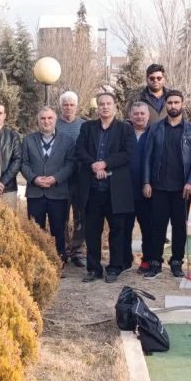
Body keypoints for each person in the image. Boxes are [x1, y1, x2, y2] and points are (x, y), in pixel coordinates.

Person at [142, 90, 191, 278]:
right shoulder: (155, 128)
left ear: (182, 104)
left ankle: (177, 262)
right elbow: (147, 157)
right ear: (166, 105)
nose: (173, 106)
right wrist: (146, 181)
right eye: (170, 103)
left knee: (179, 227)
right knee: (157, 226)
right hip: (158, 187)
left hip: (182, 189)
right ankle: (155, 262)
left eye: (176, 102)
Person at [77, 92, 134, 283]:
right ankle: (94, 268)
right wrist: (93, 165)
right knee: (92, 231)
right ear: (97, 108)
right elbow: (80, 150)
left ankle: (114, 268)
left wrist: (105, 164)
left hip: (115, 190)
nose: (105, 107)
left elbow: (128, 154)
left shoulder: (125, 129)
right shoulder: (87, 128)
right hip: (92, 189)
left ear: (115, 107)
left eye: (109, 103)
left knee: (117, 230)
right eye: (101, 104)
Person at [21, 106, 76, 263]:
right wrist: (34, 178)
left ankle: (59, 260)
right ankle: (37, 262)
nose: (46, 121)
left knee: (58, 229)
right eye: (43, 118)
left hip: (58, 192)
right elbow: (23, 163)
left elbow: (70, 164)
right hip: (35, 192)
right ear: (38, 121)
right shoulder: (28, 140)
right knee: (35, 230)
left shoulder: (67, 140)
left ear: (55, 119)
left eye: (49, 118)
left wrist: (55, 178)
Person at [56, 91, 87, 267]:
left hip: (80, 178)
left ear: (76, 106)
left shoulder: (84, 125)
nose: (68, 108)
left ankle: (77, 251)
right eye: (65, 104)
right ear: (61, 106)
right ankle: (64, 249)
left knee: (80, 217)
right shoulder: (54, 124)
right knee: (61, 217)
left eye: (71, 105)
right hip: (61, 179)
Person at [125, 101, 152, 275]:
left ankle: (147, 261)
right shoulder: (124, 134)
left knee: (148, 228)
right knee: (124, 228)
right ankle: (125, 260)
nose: (139, 117)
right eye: (136, 114)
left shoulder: (154, 134)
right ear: (130, 116)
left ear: (148, 116)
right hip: (126, 191)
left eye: (142, 113)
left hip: (147, 191)